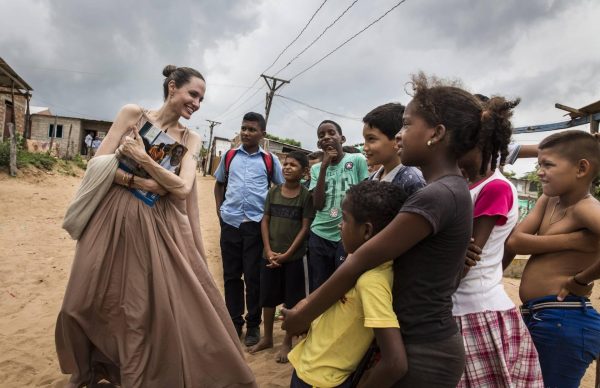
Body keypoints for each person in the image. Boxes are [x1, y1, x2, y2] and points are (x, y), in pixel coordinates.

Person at [55, 65, 257, 388]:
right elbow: (97, 162)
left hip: (153, 229)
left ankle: (129, 377)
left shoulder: (191, 137)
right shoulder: (132, 114)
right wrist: (144, 181)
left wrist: (142, 158)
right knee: (79, 302)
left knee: (135, 313)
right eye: (193, 94)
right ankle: (86, 370)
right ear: (172, 87)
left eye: (202, 99)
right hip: (107, 219)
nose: (197, 104)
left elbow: (181, 187)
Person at [284, 73, 488, 387]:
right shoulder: (446, 190)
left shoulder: (436, 195)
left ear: (437, 133)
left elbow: (363, 258)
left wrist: (304, 313)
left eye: (407, 125)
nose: (399, 136)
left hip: (425, 352)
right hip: (420, 341)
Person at [454, 97, 544, 387]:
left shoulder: (495, 187)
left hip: (473, 311)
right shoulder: (466, 184)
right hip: (461, 307)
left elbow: (468, 257)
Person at [288, 181, 408, 388]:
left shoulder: (371, 281)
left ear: (367, 231)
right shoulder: (360, 266)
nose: (339, 225)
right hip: (312, 370)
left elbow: (395, 363)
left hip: (322, 380)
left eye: (344, 218)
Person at [506, 130, 600, 388]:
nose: (539, 171)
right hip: (543, 317)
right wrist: (573, 241)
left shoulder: (586, 208)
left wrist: (581, 279)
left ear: (581, 168)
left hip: (564, 319)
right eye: (538, 164)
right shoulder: (550, 200)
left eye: (548, 164)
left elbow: (525, 241)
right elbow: (516, 241)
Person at [214, 112, 285, 346]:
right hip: (231, 224)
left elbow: (281, 188)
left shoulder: (269, 160)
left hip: (256, 226)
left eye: (252, 129)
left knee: (254, 278)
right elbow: (219, 185)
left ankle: (253, 324)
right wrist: (220, 214)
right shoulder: (230, 156)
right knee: (232, 276)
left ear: (262, 134)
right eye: (244, 128)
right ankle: (235, 321)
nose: (246, 133)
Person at [248, 151, 314, 363]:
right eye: (285, 164)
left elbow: (304, 228)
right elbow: (265, 221)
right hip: (270, 257)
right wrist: (268, 250)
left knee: (291, 301)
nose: (287, 167)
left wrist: (287, 254)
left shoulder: (306, 196)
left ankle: (287, 342)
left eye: (293, 165)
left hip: (293, 258)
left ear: (304, 171)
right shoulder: (273, 192)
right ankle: (267, 338)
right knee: (267, 298)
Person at [308, 120, 369, 291]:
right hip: (320, 234)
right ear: (319, 143)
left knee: (345, 287)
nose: (327, 137)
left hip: (348, 234)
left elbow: (365, 195)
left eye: (331, 133)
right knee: (319, 285)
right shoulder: (316, 169)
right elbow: (318, 204)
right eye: (322, 136)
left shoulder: (357, 160)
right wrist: (324, 167)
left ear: (342, 138)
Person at [362, 102, 425, 194]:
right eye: (365, 140)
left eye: (371, 139)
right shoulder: (372, 179)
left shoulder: (413, 182)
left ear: (397, 140)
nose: (365, 148)